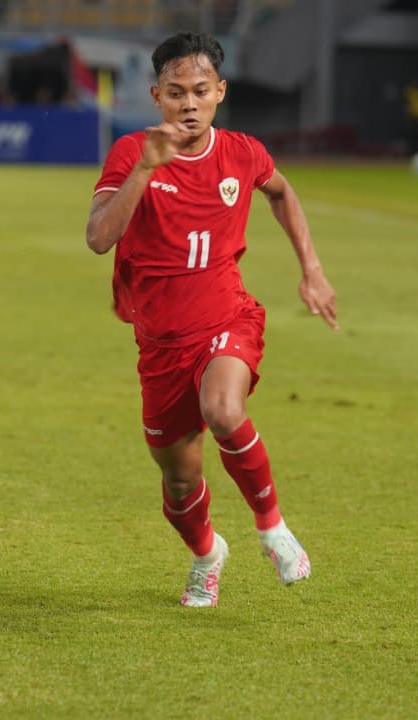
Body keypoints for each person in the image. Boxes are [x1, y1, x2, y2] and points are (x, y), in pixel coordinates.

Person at [85, 32, 337, 607]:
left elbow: (280, 191)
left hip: (227, 318)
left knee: (223, 408)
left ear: (220, 92)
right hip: (160, 344)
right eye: (176, 93)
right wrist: (147, 168)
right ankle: (206, 555)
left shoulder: (242, 152)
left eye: (200, 91)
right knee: (178, 483)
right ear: (156, 96)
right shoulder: (131, 152)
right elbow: (100, 238)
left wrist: (313, 269)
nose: (189, 104)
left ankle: (271, 527)